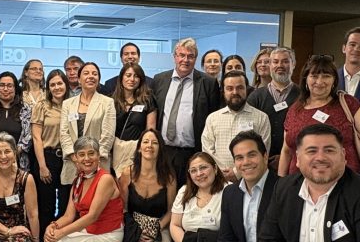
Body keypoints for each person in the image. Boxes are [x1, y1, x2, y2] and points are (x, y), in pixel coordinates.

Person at [278, 54, 360, 182]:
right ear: (306, 79)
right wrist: (280, 183)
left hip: (344, 186)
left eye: (326, 76)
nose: (320, 82)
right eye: (314, 76)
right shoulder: (295, 109)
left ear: (334, 80)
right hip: (298, 185)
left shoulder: (347, 104)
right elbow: (286, 151)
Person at [152, 37, 221, 188]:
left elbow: (215, 117)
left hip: (193, 153)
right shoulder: (159, 80)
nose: (185, 60)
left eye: (190, 56)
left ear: (196, 59)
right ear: (175, 57)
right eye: (182, 55)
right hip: (165, 151)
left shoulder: (208, 82)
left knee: (190, 193)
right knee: (164, 192)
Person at [117, 129, 175, 242]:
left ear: (160, 148)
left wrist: (157, 227)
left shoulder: (169, 176)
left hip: (160, 223)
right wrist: (136, 230)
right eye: (146, 142)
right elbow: (123, 208)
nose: (150, 146)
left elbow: (171, 210)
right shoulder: (127, 173)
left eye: (155, 142)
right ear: (139, 147)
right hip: (136, 224)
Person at [170, 152, 228, 242]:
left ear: (215, 168)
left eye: (203, 168)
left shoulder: (228, 191)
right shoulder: (184, 192)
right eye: (193, 170)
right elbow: (175, 225)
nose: (199, 174)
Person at [202, 70, 271, 183]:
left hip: (250, 179)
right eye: (229, 88)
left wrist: (236, 173)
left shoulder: (261, 118)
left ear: (246, 89)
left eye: (240, 88)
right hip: (218, 180)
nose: (235, 92)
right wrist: (220, 172)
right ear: (223, 91)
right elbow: (207, 150)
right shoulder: (212, 118)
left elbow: (264, 152)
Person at [60, 62, 116, 187]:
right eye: (86, 73)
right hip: (73, 164)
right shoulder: (67, 104)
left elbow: (108, 135)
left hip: (98, 164)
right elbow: (64, 134)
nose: (91, 76)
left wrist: (91, 161)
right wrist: (76, 159)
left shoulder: (107, 102)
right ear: (79, 79)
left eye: (94, 74)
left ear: (98, 79)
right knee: (70, 203)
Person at [32, 69, 71, 240]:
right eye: (52, 84)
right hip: (46, 158)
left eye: (60, 83)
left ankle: (60, 239)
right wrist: (42, 166)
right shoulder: (42, 105)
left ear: (66, 84)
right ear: (48, 87)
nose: (56, 87)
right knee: (45, 204)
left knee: (65, 203)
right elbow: (36, 137)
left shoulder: (73, 104)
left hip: (68, 159)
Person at [248, 46, 300, 172]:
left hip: (294, 163)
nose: (280, 65)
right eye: (275, 62)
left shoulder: (303, 96)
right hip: (261, 163)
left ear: (293, 64)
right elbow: (249, 131)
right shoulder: (256, 97)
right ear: (270, 65)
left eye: (285, 61)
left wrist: (285, 157)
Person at [111, 62, 157, 175]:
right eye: (128, 75)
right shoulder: (111, 100)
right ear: (121, 78)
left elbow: (150, 130)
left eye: (136, 76)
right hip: (113, 153)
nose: (132, 79)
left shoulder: (148, 100)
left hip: (137, 153)